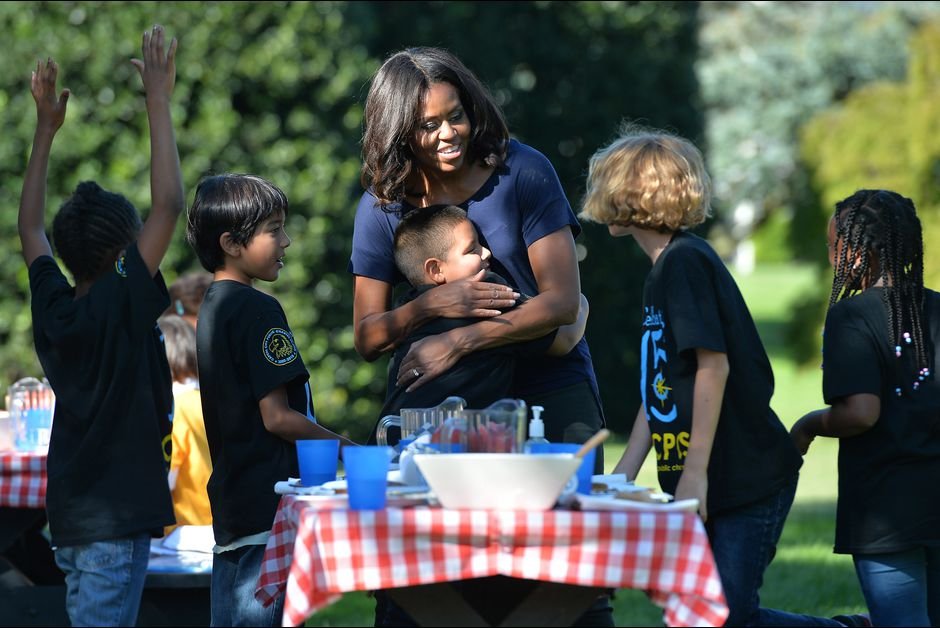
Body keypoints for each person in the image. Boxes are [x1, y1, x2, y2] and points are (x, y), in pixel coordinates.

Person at [349, 46, 610, 627]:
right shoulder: (383, 205)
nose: (449, 134)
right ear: (398, 130)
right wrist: (434, 306)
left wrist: (461, 340)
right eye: (428, 124)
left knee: (571, 560)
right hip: (446, 401)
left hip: (550, 380)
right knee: (427, 564)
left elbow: (563, 303)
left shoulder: (525, 171)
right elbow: (368, 337)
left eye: (456, 115)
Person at [578, 124, 870, 627]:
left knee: (723, 617)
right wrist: (626, 471)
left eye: (606, 182)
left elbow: (714, 366)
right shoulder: (663, 270)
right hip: (708, 480)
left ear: (632, 194)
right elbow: (662, 384)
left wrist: (695, 473)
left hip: (744, 479)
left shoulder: (685, 264)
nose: (596, 195)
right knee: (702, 613)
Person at [17, 27, 182, 626]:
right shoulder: (120, 299)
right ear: (122, 250)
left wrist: (45, 130)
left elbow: (30, 230)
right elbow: (168, 206)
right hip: (114, 522)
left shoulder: (56, 307)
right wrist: (157, 100)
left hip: (73, 517)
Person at [185, 172, 358, 626]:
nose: (286, 241)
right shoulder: (258, 308)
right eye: (273, 229)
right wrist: (352, 449)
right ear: (232, 243)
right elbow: (278, 418)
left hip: (234, 506)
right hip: (269, 506)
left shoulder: (212, 306)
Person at [790, 189, 939, 627]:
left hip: (885, 509)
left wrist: (807, 427)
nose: (832, 257)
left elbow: (861, 413)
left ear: (857, 252)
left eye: (834, 246)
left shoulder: (851, 316)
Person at [375, 203, 588, 426]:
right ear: (436, 270)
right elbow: (563, 338)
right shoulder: (485, 295)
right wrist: (579, 302)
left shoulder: (406, 306)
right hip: (456, 445)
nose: (487, 253)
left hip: (396, 436)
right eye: (472, 250)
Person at [157, 313, 212, 533]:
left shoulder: (173, 408)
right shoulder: (211, 401)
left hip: (182, 530)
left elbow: (164, 483)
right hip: (217, 524)